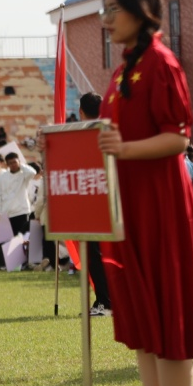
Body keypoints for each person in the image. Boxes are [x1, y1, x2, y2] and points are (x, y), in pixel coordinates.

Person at [96, 0, 193, 386]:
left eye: (113, 10)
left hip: (162, 208)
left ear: (141, 11)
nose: (106, 20)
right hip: (128, 209)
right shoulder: (122, 71)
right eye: (103, 10)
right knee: (145, 328)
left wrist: (124, 149)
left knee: (170, 325)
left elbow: (178, 137)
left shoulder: (162, 63)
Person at [79, 91, 113, 315]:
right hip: (110, 203)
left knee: (95, 254)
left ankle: (105, 302)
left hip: (94, 205)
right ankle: (106, 300)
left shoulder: (81, 136)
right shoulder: (110, 132)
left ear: (81, 112)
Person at [0, 152, 36, 237]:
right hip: (7, 213)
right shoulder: (1, 178)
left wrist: (21, 165)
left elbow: (32, 173)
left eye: (14, 162)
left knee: (22, 239)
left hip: (21, 212)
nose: (13, 165)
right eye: (10, 163)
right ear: (7, 164)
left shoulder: (24, 175)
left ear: (19, 161)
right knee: (10, 240)